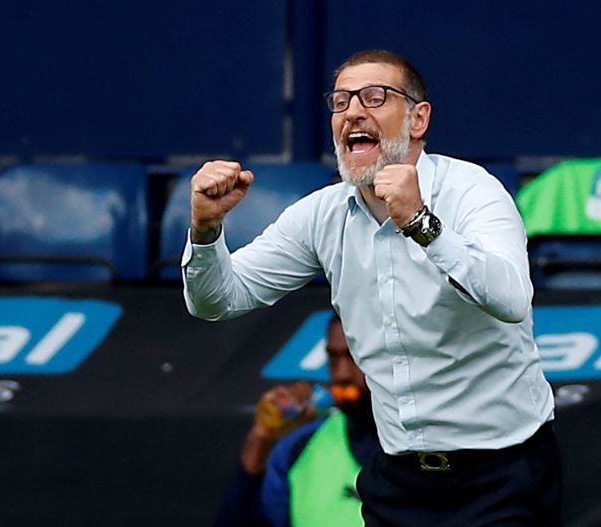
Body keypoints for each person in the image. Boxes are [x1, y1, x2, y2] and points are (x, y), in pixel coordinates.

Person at [184, 49, 562, 526]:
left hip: (501, 472)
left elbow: (510, 299)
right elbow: (218, 301)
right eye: (341, 102)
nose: (353, 112)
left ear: (418, 118)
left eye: (375, 97)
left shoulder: (473, 190)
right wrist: (204, 229)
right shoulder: (321, 214)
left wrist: (421, 222)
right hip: (396, 478)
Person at [214, 314, 379, 527]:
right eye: (333, 358)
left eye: (356, 357)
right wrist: (260, 439)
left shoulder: (429, 446)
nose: (342, 374)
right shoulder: (299, 446)